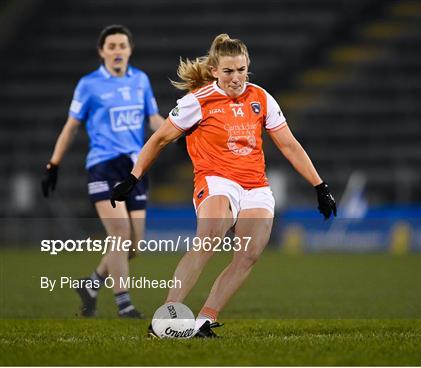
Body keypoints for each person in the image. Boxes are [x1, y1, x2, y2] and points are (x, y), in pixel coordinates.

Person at [110, 33, 336, 336]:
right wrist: (133, 177)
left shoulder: (261, 98)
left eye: (241, 70)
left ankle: (204, 320)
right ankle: (165, 317)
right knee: (209, 238)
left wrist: (319, 187)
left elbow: (289, 145)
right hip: (216, 180)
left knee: (249, 254)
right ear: (215, 71)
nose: (236, 78)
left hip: (255, 185)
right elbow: (160, 139)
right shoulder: (198, 101)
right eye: (228, 71)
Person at [41, 25, 165, 318]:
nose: (117, 51)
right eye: (111, 46)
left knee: (134, 246)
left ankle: (91, 284)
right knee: (120, 233)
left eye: (122, 45)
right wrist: (53, 164)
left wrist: (182, 130)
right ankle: (124, 303)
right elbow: (71, 127)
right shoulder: (89, 84)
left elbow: (153, 119)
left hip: (135, 167)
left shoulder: (141, 80)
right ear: (102, 52)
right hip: (103, 165)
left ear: (130, 50)